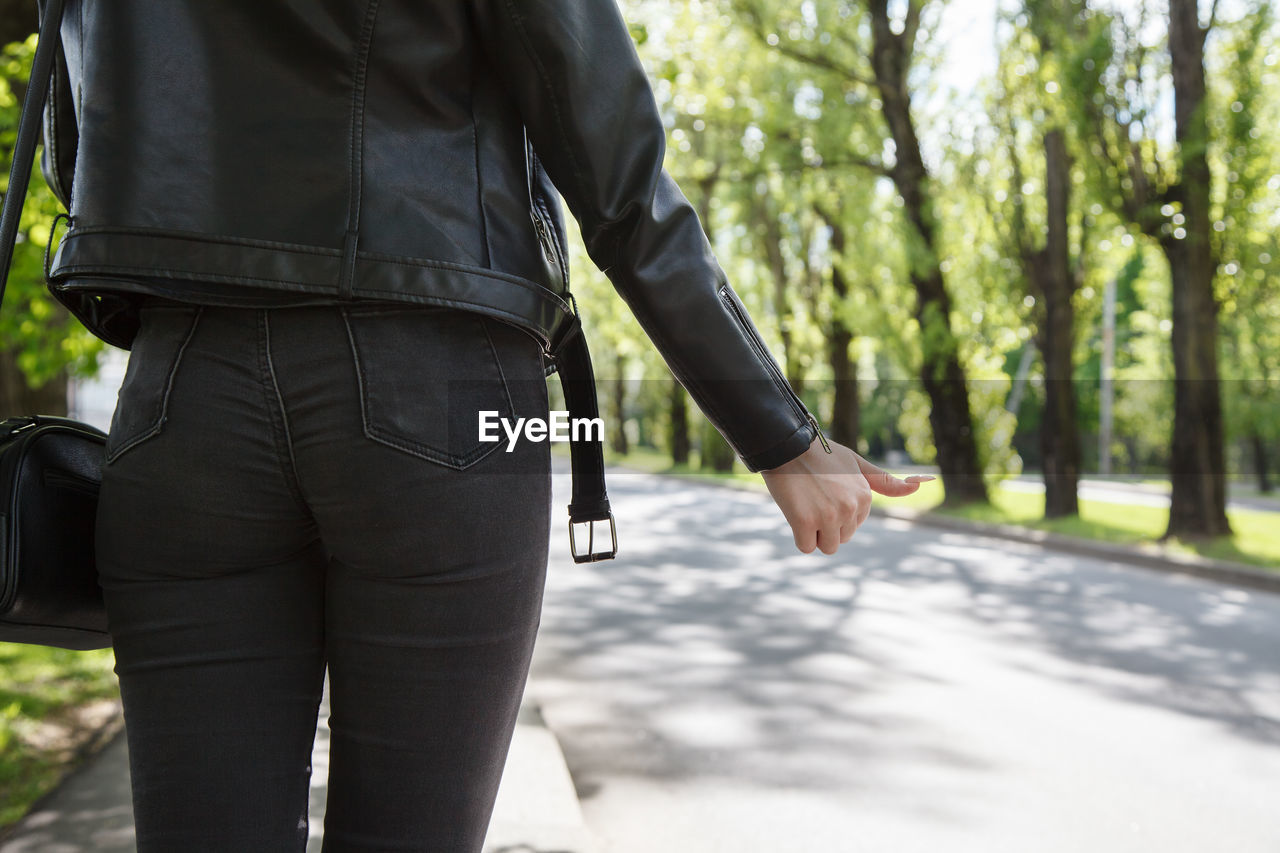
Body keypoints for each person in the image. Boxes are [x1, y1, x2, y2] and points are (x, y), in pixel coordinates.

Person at [38, 0, 929, 850]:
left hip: (184, 390)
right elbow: (615, 172)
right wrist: (780, 434)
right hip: (441, 380)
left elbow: (78, 147)